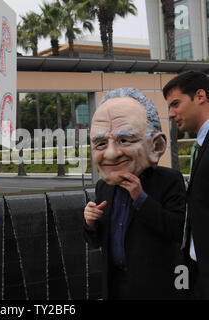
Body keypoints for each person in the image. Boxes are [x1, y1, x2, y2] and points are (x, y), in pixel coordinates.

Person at [84, 87, 186, 300]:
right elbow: (97, 242)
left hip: (156, 289)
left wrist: (141, 199)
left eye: (124, 140)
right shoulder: (104, 187)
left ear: (156, 146)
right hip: (116, 286)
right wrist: (90, 222)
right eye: (101, 143)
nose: (111, 153)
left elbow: (178, 232)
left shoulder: (169, 180)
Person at [163, 71, 209, 299]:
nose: (171, 114)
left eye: (175, 104)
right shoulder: (200, 145)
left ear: (200, 96)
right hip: (195, 270)